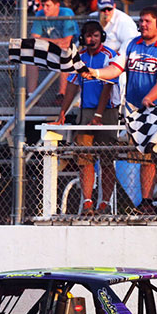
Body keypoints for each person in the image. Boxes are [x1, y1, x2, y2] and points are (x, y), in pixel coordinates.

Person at [83, 6, 157, 215]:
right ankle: (146, 202)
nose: (142, 24)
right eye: (141, 20)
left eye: (147, 21)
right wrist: (95, 72)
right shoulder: (132, 44)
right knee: (144, 157)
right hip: (138, 112)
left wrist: (149, 97)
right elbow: (115, 69)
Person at [52, 21, 119, 216]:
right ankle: (88, 203)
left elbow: (108, 85)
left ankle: (105, 203)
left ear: (102, 36)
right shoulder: (79, 57)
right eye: (88, 36)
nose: (92, 39)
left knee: (106, 158)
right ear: (83, 37)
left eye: (96, 35)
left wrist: (98, 115)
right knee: (84, 157)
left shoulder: (109, 55)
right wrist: (63, 111)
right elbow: (73, 85)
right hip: (85, 111)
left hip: (107, 111)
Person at [28, 0, 80, 104]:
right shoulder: (40, 14)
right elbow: (34, 39)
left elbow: (67, 42)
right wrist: (56, 42)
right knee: (30, 58)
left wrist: (44, 40)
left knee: (64, 53)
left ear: (57, 5)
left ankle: (61, 95)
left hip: (74, 49)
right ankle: (31, 96)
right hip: (51, 48)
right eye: (43, 5)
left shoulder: (66, 13)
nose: (45, 9)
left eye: (48, 6)